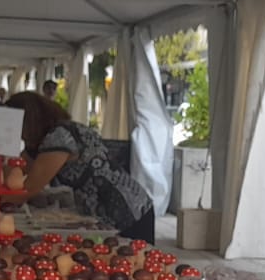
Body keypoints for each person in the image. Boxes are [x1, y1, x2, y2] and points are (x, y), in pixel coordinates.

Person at [8, 90, 155, 241]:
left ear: (28, 121)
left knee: (132, 254)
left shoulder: (60, 137)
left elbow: (29, 188)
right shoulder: (49, 137)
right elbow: (15, 169)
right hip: (111, 212)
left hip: (127, 211)